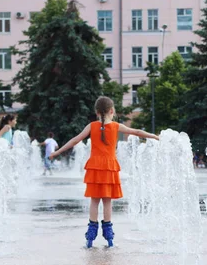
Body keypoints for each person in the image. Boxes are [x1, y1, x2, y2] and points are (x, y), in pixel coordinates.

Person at [49, 96, 159, 248]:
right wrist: (154, 136)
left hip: (94, 167)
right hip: (109, 168)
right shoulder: (116, 126)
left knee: (94, 201)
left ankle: (90, 237)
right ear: (112, 111)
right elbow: (137, 131)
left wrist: (57, 152)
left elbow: (75, 140)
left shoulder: (92, 126)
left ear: (96, 112)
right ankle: (109, 238)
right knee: (107, 202)